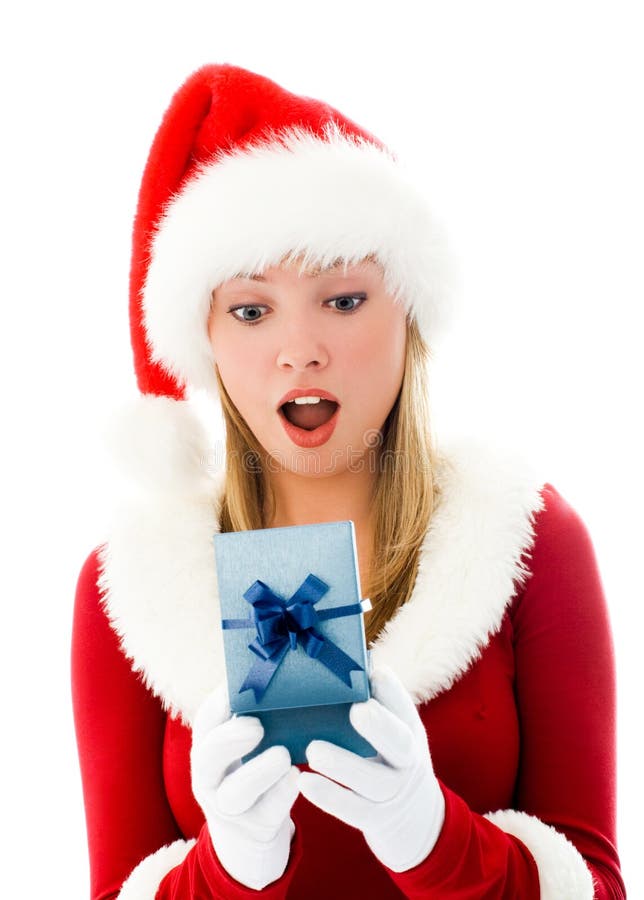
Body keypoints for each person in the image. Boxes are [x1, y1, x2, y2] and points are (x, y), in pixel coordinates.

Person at [71, 63, 626, 899]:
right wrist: (228, 870)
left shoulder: (531, 542)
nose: (300, 350)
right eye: (252, 310)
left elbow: (598, 885)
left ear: (407, 313)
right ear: (209, 340)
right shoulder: (130, 589)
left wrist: (435, 839)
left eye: (342, 299)